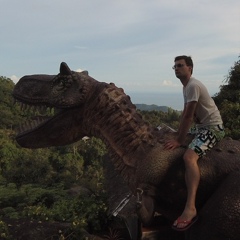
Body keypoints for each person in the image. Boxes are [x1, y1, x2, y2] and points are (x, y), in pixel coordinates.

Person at [164, 55, 225, 231]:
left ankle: (190, 208)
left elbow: (189, 116)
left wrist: (179, 140)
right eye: (174, 66)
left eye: (180, 65)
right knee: (165, 130)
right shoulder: (186, 87)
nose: (176, 68)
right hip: (200, 127)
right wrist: (177, 132)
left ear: (189, 68)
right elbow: (185, 113)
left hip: (212, 128)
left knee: (189, 157)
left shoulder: (193, 85)